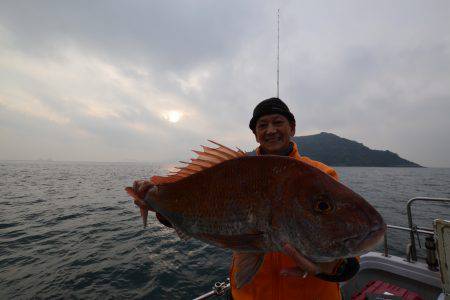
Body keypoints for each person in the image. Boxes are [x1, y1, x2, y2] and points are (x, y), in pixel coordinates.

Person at [228, 97, 359, 300]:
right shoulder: (235, 174)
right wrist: (170, 216)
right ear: (255, 135)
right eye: (262, 125)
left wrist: (340, 266)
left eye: (278, 122)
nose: (270, 130)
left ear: (292, 128)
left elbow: (346, 232)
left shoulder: (322, 175)